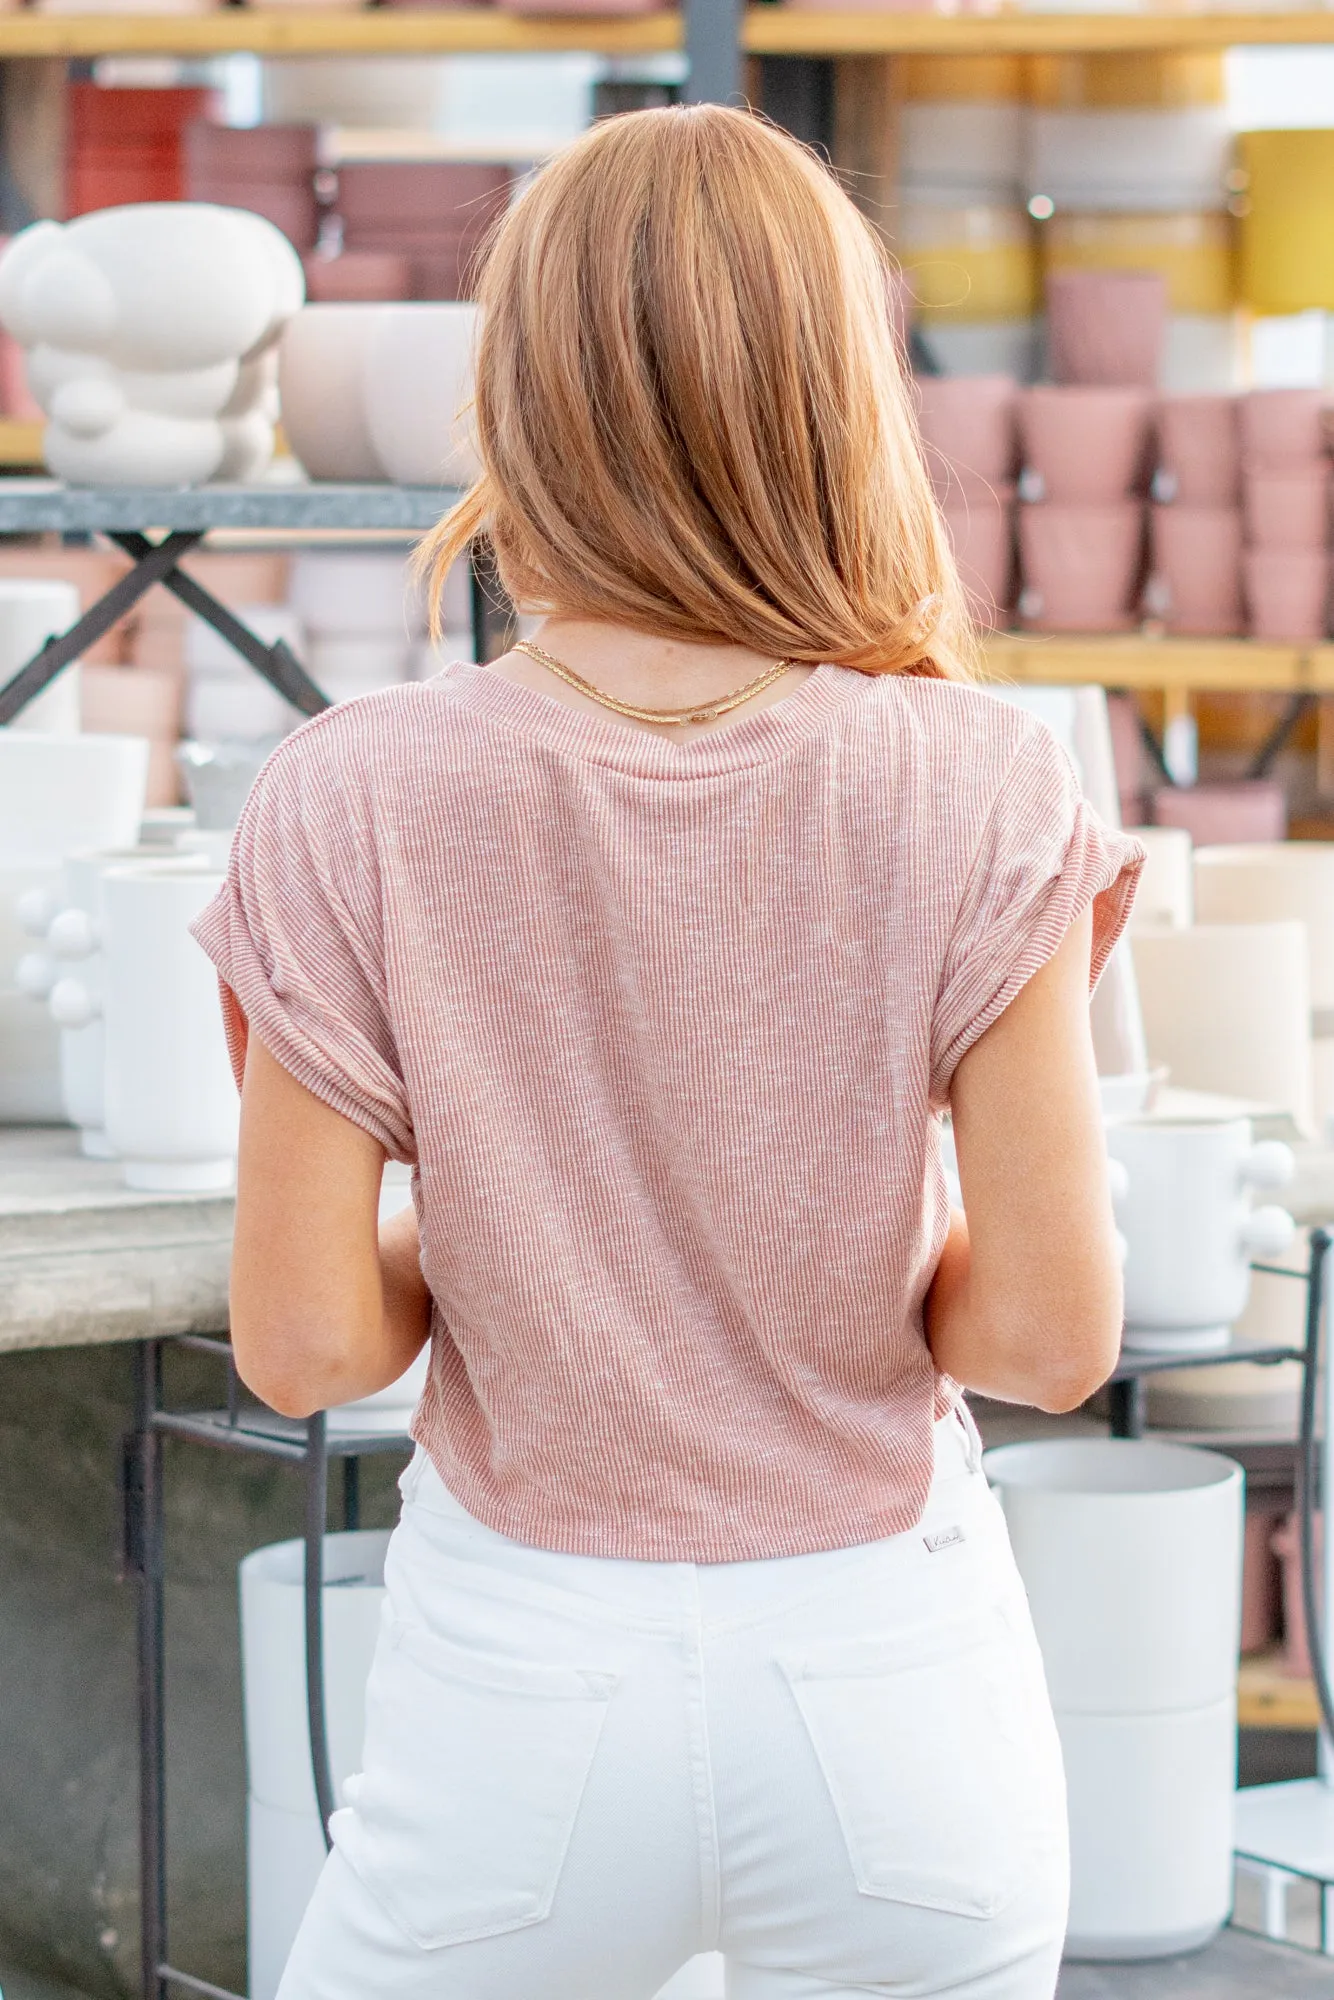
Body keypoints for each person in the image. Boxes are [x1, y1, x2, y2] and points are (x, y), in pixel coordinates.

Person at [193, 104, 1141, 2000]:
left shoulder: (355, 793)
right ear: (838, 397)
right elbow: (1046, 1341)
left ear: (516, 399)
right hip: (891, 1695)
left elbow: (305, 1348)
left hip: (515, 1699)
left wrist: (507, 1229)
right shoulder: (974, 781)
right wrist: (806, 1246)